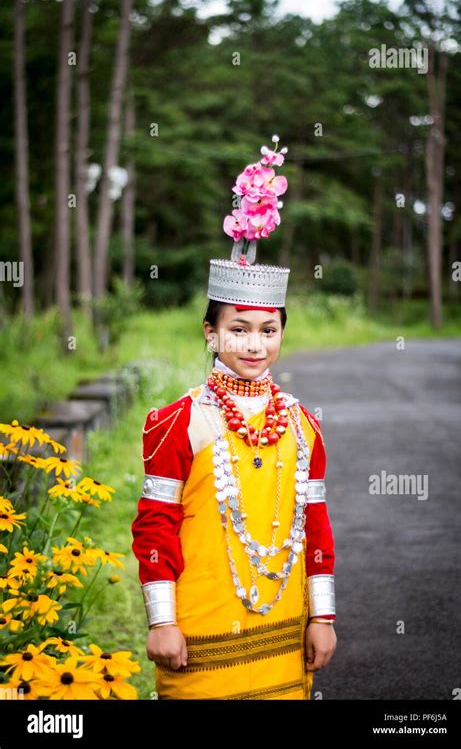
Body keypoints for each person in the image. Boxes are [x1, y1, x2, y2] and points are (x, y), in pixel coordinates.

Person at [131, 137, 337, 700]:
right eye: (238, 328)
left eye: (268, 330)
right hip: (199, 635)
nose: (254, 344)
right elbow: (154, 527)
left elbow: (315, 526)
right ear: (210, 332)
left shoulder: (302, 425)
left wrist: (323, 615)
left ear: (282, 334)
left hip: (283, 636)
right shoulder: (174, 422)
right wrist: (161, 620)